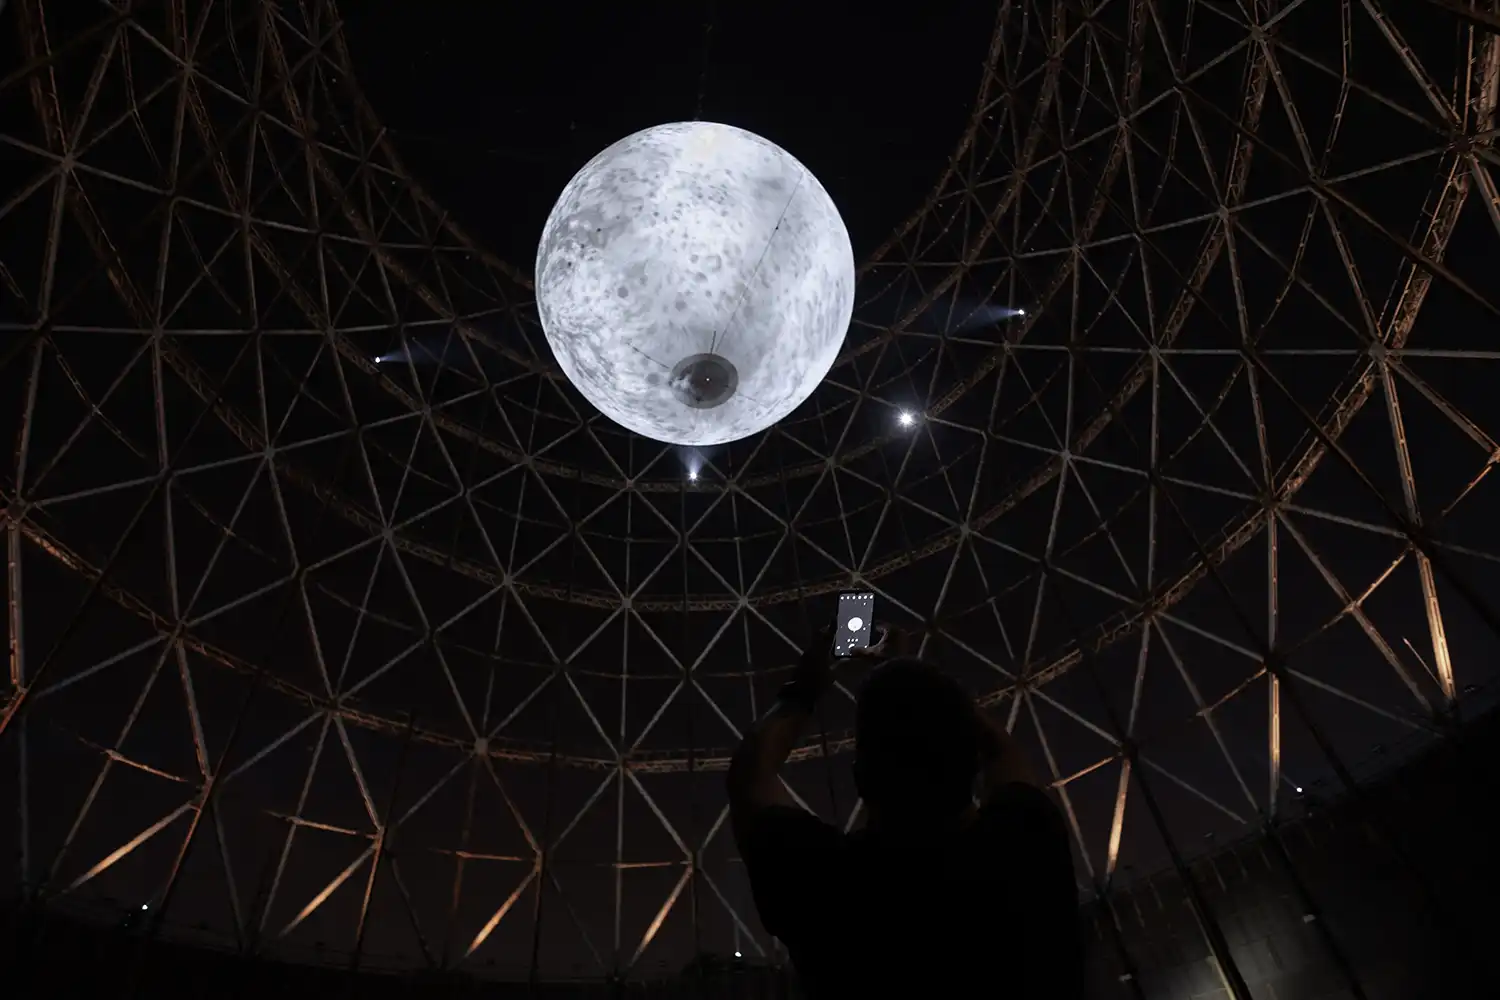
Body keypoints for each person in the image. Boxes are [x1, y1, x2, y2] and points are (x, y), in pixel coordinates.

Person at [727, 627, 1085, 997]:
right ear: (971, 759)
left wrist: (804, 688)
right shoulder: (1029, 844)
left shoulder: (830, 886)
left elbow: (749, 776)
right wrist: (921, 684)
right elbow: (1005, 752)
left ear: (860, 777)